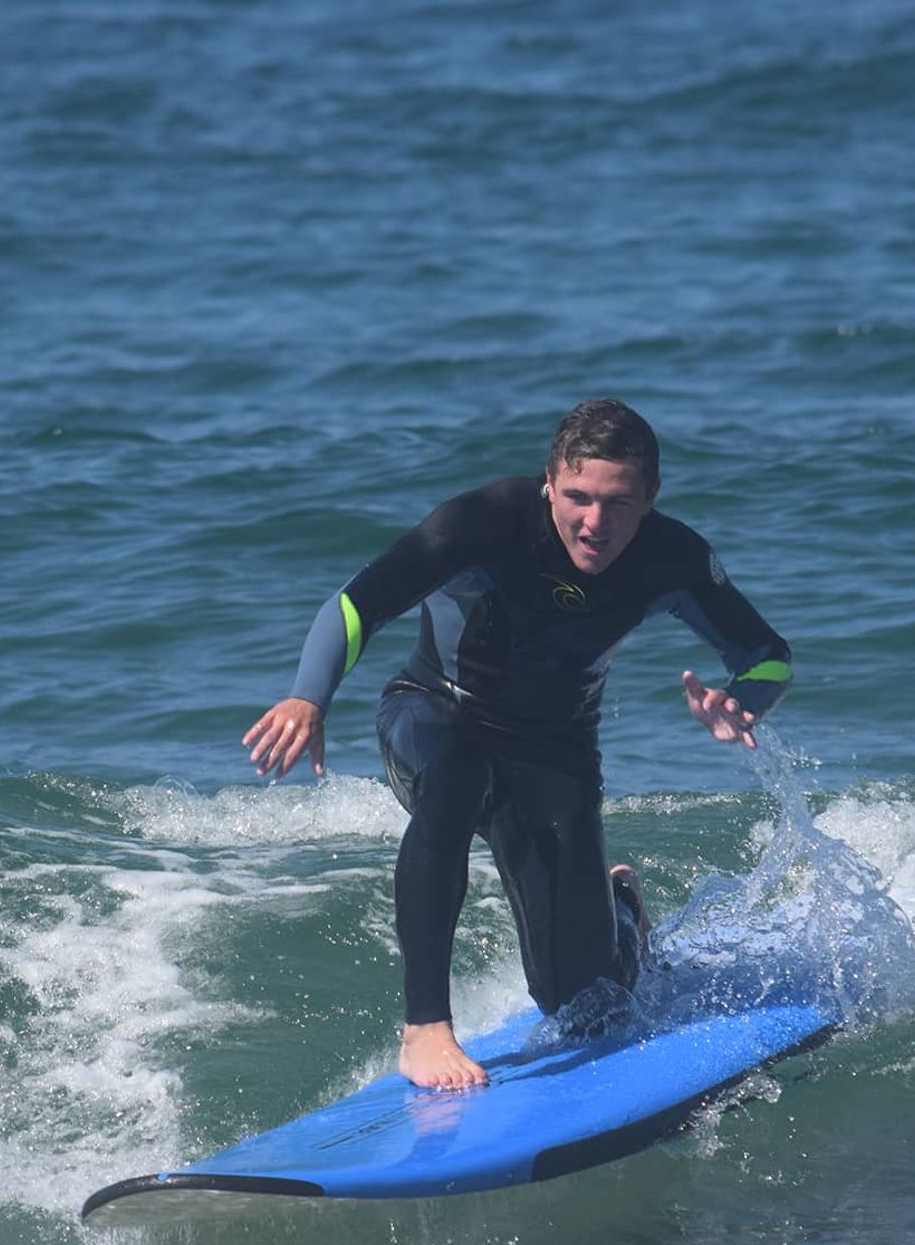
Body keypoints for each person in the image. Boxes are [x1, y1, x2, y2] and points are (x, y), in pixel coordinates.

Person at [243, 399, 791, 1091]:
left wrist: (743, 702)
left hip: (553, 751)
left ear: (650, 497)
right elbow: (359, 602)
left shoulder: (671, 558)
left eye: (618, 503)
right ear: (548, 482)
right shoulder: (485, 522)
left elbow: (768, 654)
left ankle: (622, 910)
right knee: (455, 775)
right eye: (577, 497)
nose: (594, 522)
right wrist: (307, 696)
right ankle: (425, 1030)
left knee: (585, 1007)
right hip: (434, 711)